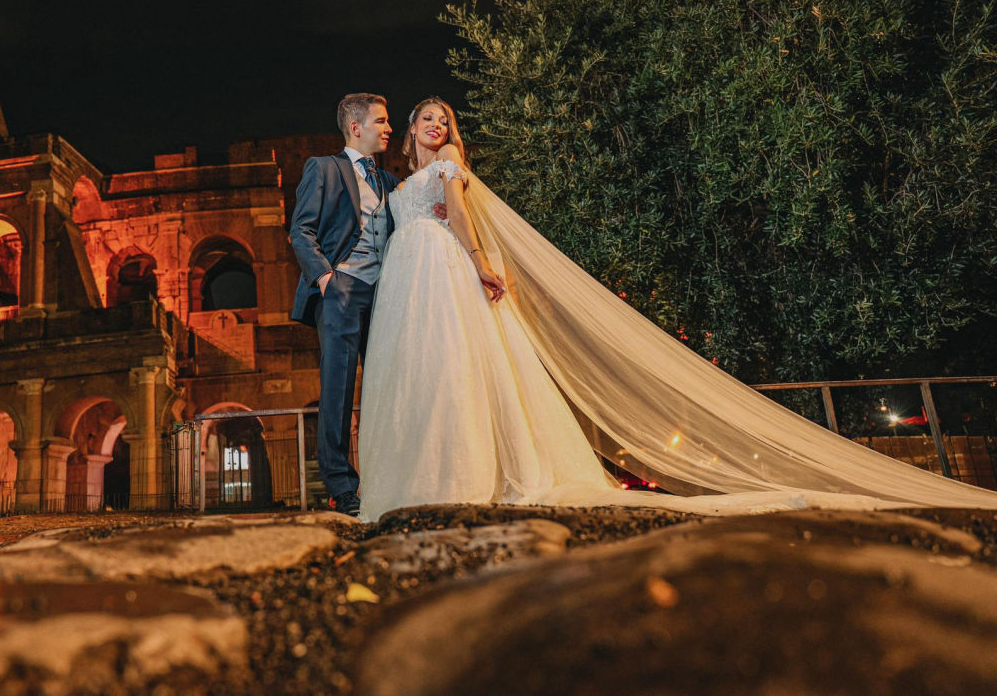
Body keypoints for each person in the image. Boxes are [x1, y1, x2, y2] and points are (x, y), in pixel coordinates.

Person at [356, 97, 997, 522]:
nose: (435, 127)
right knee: (423, 375)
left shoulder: (448, 165)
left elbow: (464, 217)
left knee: (455, 369)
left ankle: (461, 478)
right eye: (426, 120)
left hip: (444, 268)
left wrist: (479, 263)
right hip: (411, 279)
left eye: (443, 119)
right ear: (409, 129)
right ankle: (418, 479)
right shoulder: (398, 179)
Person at [289, 93, 399, 517]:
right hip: (341, 290)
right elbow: (302, 230)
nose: (388, 128)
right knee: (337, 390)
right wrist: (326, 278)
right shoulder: (324, 168)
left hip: (384, 293)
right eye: (381, 121)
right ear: (356, 127)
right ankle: (342, 488)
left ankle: (386, 478)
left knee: (386, 387)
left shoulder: (389, 182)